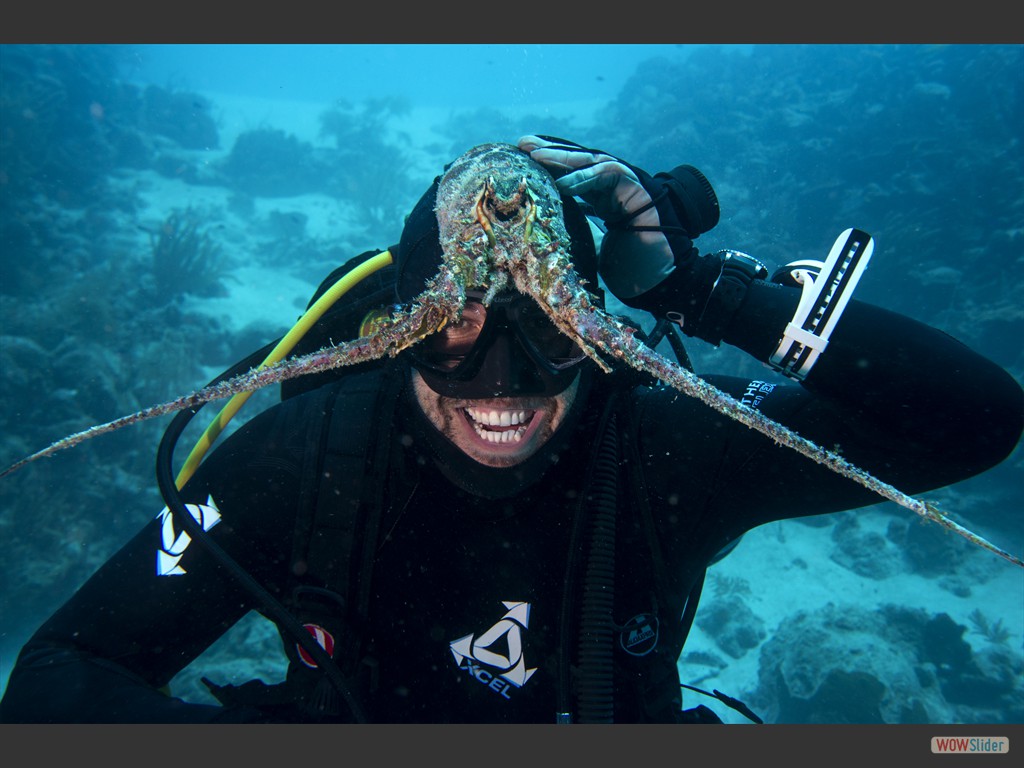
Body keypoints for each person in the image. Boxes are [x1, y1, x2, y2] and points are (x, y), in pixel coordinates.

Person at [2, 136, 1021, 724]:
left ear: (601, 330)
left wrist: (704, 290)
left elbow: (971, 421)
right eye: (452, 332)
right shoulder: (309, 456)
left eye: (548, 333)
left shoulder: (659, 445)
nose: (505, 389)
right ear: (393, 331)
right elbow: (54, 680)